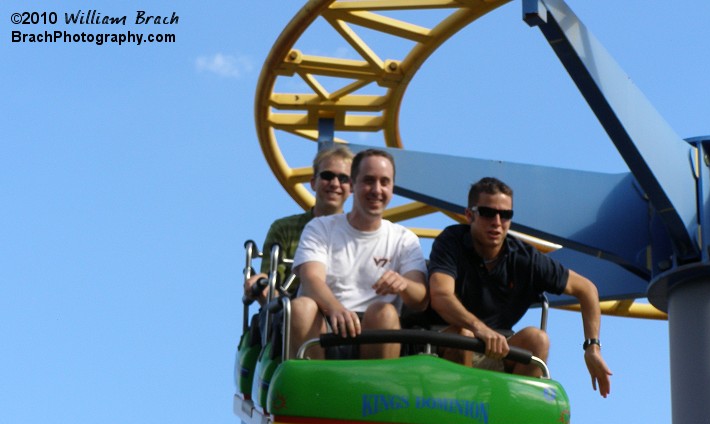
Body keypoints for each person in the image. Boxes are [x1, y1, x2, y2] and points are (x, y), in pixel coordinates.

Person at [428, 177, 613, 398]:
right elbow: (440, 294)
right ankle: (463, 409)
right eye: (488, 213)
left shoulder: (524, 258)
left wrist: (592, 348)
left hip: (498, 348)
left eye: (505, 215)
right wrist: (480, 329)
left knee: (538, 339)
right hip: (447, 348)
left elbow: (587, 289)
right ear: (470, 215)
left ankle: (512, 409)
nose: (497, 221)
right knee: (464, 336)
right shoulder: (451, 241)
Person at [290, 148, 429, 359]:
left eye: (384, 182)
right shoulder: (321, 227)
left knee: (384, 312)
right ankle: (313, 383)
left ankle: (376, 387)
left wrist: (405, 284)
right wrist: (336, 309)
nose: (376, 189)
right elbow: (311, 278)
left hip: (375, 330)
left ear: (392, 188)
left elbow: (420, 298)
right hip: (326, 324)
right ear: (353, 185)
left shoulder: (403, 238)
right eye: (369, 181)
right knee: (301, 307)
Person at [244, 145, 354, 304]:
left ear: (351, 187)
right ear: (313, 183)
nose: (335, 183)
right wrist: (262, 281)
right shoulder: (285, 228)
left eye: (343, 178)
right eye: (327, 176)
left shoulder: (357, 232)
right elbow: (270, 281)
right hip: (297, 311)